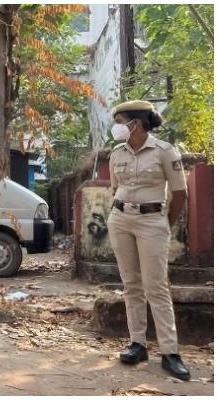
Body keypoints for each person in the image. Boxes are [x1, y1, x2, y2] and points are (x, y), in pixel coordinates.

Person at [107, 100, 190, 380]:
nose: (116, 127)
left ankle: (170, 352)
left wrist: (162, 224)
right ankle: (137, 344)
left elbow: (180, 194)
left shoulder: (165, 152)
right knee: (131, 284)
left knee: (156, 286)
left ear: (136, 123)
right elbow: (115, 189)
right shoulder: (116, 153)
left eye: (120, 121)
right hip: (120, 220)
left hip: (152, 221)